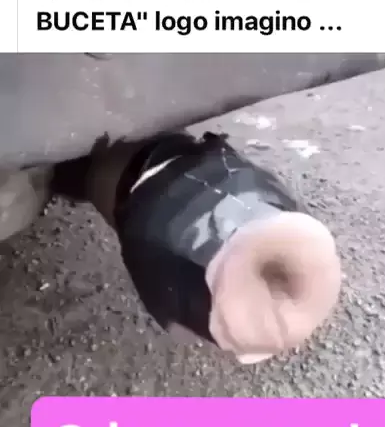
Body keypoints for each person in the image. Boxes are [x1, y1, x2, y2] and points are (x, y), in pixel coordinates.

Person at [52, 130, 342, 364]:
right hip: (135, 181)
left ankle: (71, 173)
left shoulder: (284, 215)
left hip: (162, 164)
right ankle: (72, 174)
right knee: (89, 177)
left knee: (91, 175)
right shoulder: (160, 240)